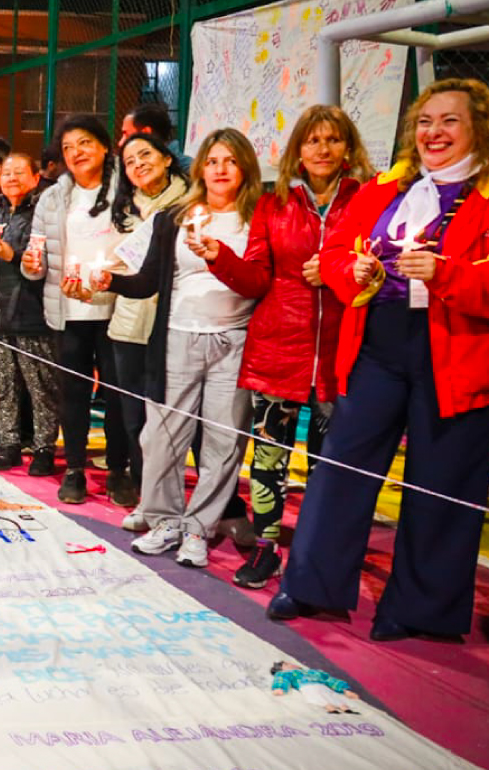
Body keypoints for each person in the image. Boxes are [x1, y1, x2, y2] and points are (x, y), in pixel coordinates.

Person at [270, 78, 489, 642]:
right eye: (425, 121)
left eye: (450, 122)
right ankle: (311, 584)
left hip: (455, 351)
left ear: (478, 130)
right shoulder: (384, 190)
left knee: (441, 482)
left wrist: (449, 275)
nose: (433, 133)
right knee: (342, 465)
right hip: (379, 345)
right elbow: (339, 253)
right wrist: (354, 274)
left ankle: (421, 611)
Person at [197, 107, 367, 587]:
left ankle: (318, 561)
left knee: (329, 469)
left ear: (348, 149)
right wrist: (220, 257)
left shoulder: (368, 200)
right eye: (312, 141)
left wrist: (337, 275)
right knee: (269, 463)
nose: (322, 149)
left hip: (342, 353)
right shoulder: (275, 204)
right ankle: (268, 548)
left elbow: (376, 266)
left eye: (333, 140)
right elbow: (256, 277)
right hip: (278, 349)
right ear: (297, 150)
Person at [92, 128, 262, 570]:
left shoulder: (260, 216)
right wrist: (108, 280)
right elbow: (148, 279)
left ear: (244, 167)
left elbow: (260, 280)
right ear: (200, 168)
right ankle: (164, 518)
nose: (220, 169)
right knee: (163, 437)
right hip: (177, 337)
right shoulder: (174, 218)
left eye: (229, 160)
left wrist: (219, 256)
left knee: (223, 443)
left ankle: (198, 528)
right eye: (212, 161)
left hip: (235, 340)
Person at [20, 115, 129, 504]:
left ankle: (118, 469)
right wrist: (31, 266)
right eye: (68, 147)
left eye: (84, 143)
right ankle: (76, 469)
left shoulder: (126, 189)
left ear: (104, 145)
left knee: (118, 394)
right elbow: (35, 254)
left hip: (118, 308)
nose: (76, 153)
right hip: (68, 310)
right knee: (73, 393)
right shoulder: (53, 197)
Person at [105, 132, 191, 512]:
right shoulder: (121, 209)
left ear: (167, 158)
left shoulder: (189, 206)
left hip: (172, 322)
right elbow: (115, 267)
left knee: (172, 418)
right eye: (129, 161)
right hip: (127, 321)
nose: (138, 164)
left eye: (146, 155)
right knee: (133, 417)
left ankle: (174, 494)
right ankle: (144, 491)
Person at [0, 153, 60, 473]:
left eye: (19, 173)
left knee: (40, 385)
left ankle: (43, 448)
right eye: (6, 172)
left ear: (35, 178)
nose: (11, 178)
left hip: (30, 309)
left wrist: (13, 255)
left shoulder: (42, 210)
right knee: (2, 383)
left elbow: (41, 259)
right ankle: (8, 443)